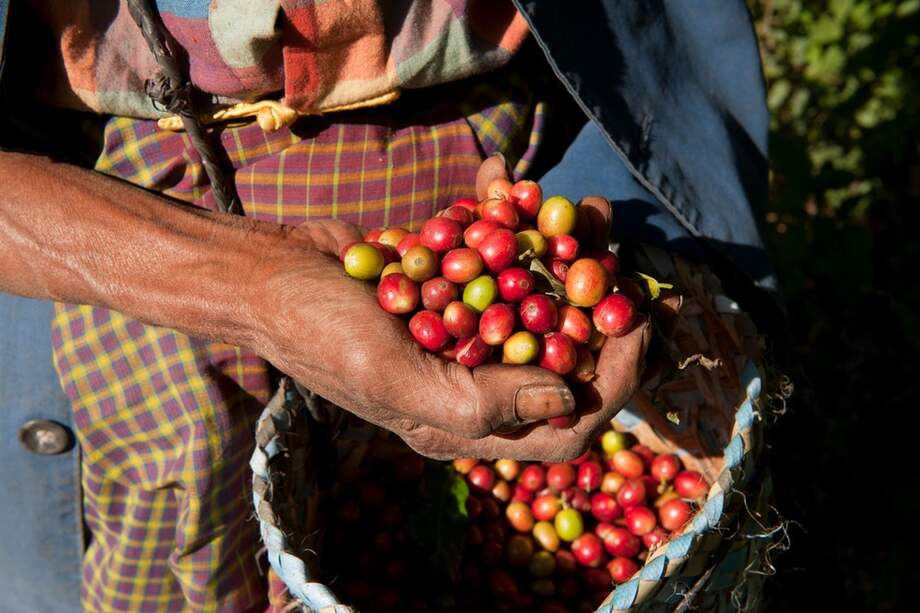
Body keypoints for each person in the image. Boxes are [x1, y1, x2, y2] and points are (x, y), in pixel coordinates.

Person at [0, 0, 776, 610]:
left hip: (491, 119)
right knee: (156, 532)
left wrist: (609, 195)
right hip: (80, 203)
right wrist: (252, 289)